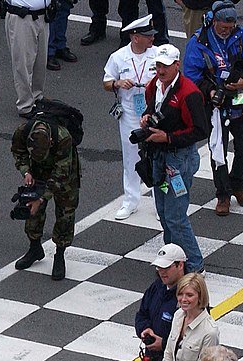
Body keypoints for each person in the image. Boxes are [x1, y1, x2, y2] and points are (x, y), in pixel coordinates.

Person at [182, 1, 243, 217]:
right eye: (223, 27)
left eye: (230, 27)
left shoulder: (242, 37)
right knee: (219, 152)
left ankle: (237, 183)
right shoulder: (198, 42)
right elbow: (191, 75)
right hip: (214, 106)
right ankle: (223, 194)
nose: (227, 31)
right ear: (213, 22)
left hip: (241, 100)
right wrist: (210, 91)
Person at [139, 45, 209, 273]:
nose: (160, 70)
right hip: (159, 158)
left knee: (176, 216)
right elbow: (149, 107)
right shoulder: (153, 86)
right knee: (163, 211)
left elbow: (201, 130)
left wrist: (167, 138)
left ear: (176, 65)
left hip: (179, 161)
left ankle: (195, 265)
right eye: (158, 65)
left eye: (165, 66)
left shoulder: (189, 93)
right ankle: (172, 259)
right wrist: (146, 117)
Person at [10, 108, 81, 280]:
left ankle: (60, 254)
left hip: (64, 172)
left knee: (65, 213)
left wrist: (41, 198)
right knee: (31, 209)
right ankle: (35, 248)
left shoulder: (63, 138)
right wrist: (26, 172)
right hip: (37, 170)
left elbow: (60, 175)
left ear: (50, 141)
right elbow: (18, 152)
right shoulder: (23, 131)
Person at [104, 17, 158, 221]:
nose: (152, 39)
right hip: (129, 112)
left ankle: (158, 202)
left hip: (153, 111)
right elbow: (106, 82)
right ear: (135, 38)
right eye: (147, 36)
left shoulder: (157, 54)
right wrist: (118, 83)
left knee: (156, 155)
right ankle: (131, 201)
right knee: (130, 157)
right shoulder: (118, 57)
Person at [133, 245, 186, 361]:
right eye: (159, 268)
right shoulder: (156, 287)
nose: (162, 272)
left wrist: (163, 344)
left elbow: (194, 341)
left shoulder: (189, 296)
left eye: (166, 268)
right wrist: (144, 329)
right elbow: (141, 314)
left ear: (180, 265)